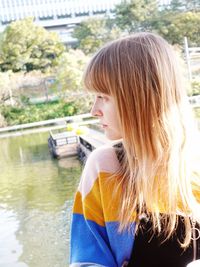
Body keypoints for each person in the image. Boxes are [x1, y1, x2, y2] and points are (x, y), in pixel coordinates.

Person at [70, 32, 200, 267]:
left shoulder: (195, 164)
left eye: (103, 97)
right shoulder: (103, 167)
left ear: (137, 97)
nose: (94, 110)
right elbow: (86, 259)